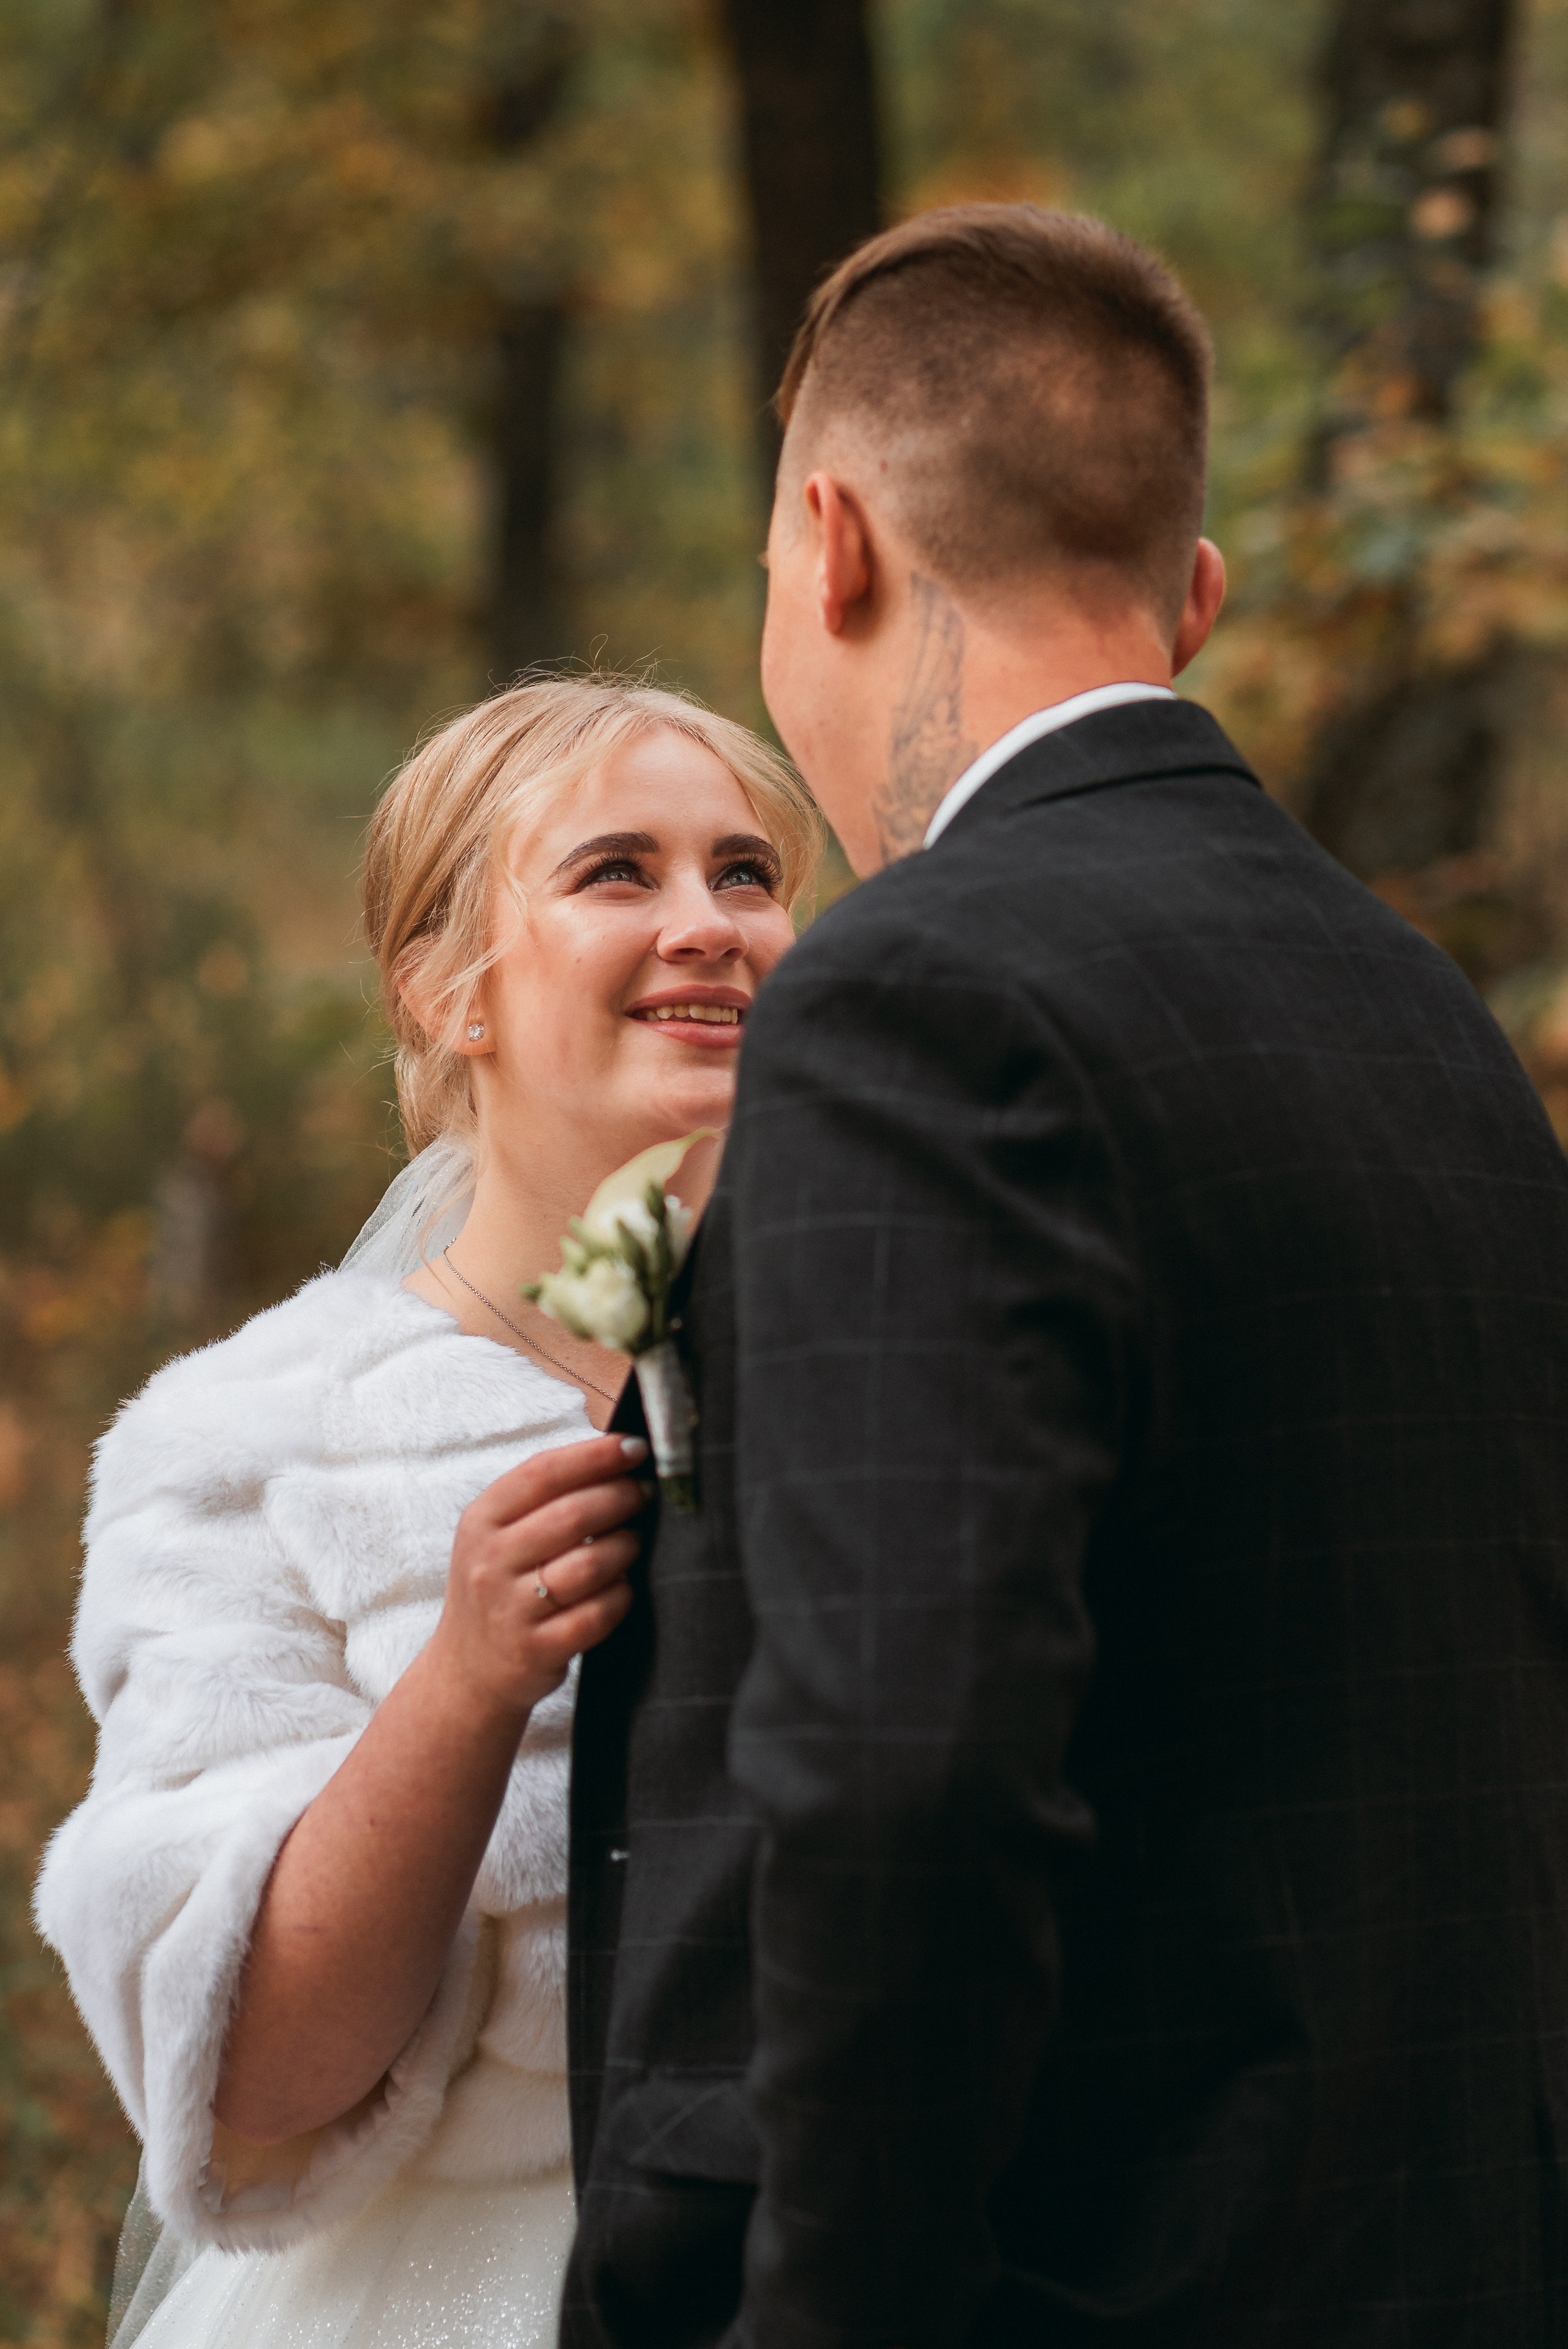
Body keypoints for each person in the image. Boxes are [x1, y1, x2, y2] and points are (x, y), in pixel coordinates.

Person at [565, 205, 1568, 2347]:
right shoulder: (1431, 1028)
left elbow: (901, 1776)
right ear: (1192, 598)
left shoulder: (919, 996)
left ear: (829, 544)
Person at [34, 673, 818, 2349]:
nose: (709, 923)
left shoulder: (902, 1374)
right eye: (620, 871)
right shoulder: (252, 1438)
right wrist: (466, 1680)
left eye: (748, 873)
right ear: (445, 985)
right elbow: (247, 2083)